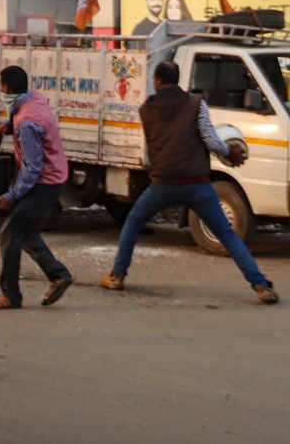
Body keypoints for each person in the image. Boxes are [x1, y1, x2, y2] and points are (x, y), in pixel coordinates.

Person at [101, 61, 278, 304]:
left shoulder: (146, 109)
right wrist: (230, 153)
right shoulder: (196, 104)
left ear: (157, 80)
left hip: (163, 183)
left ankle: (117, 275)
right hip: (196, 184)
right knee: (227, 234)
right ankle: (260, 286)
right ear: (177, 78)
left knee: (133, 222)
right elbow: (211, 140)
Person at [0, 65, 75, 310]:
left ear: (6, 88)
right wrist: (7, 126)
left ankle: (10, 295)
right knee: (23, 230)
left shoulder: (27, 122)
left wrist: (11, 196)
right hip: (53, 175)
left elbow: (32, 168)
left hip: (44, 181)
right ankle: (58, 275)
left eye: (0, 86)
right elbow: (17, 115)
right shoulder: (32, 99)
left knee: (10, 233)